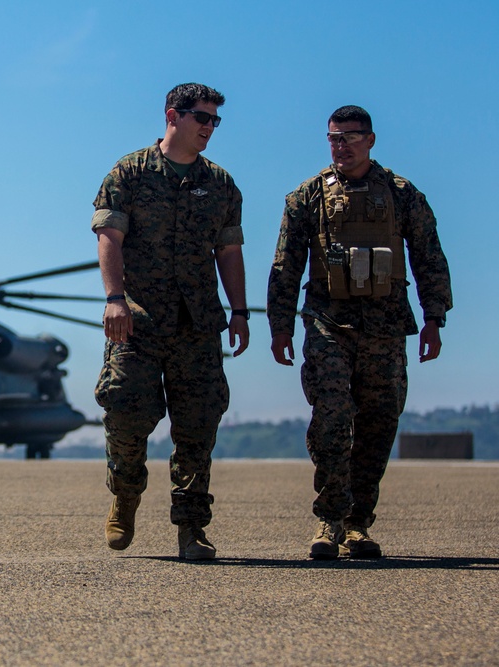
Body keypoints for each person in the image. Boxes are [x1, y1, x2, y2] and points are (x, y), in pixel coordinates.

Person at [267, 105, 452, 560]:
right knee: (332, 417)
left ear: (370, 140)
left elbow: (428, 254)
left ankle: (357, 524)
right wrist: (280, 326)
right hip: (328, 323)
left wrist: (434, 317)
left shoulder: (402, 195)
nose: (341, 145)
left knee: (378, 422)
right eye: (334, 137)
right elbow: (285, 265)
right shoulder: (307, 197)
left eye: (350, 136)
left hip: (386, 328)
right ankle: (329, 520)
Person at [92, 82, 249, 560]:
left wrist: (239, 310)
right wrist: (115, 299)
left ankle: (191, 529)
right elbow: (109, 237)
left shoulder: (220, 183)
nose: (209, 128)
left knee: (198, 425)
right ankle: (126, 493)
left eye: (215, 121)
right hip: (137, 320)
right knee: (126, 411)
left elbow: (229, 251)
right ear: (172, 116)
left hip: (197, 323)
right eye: (202, 117)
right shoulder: (131, 172)